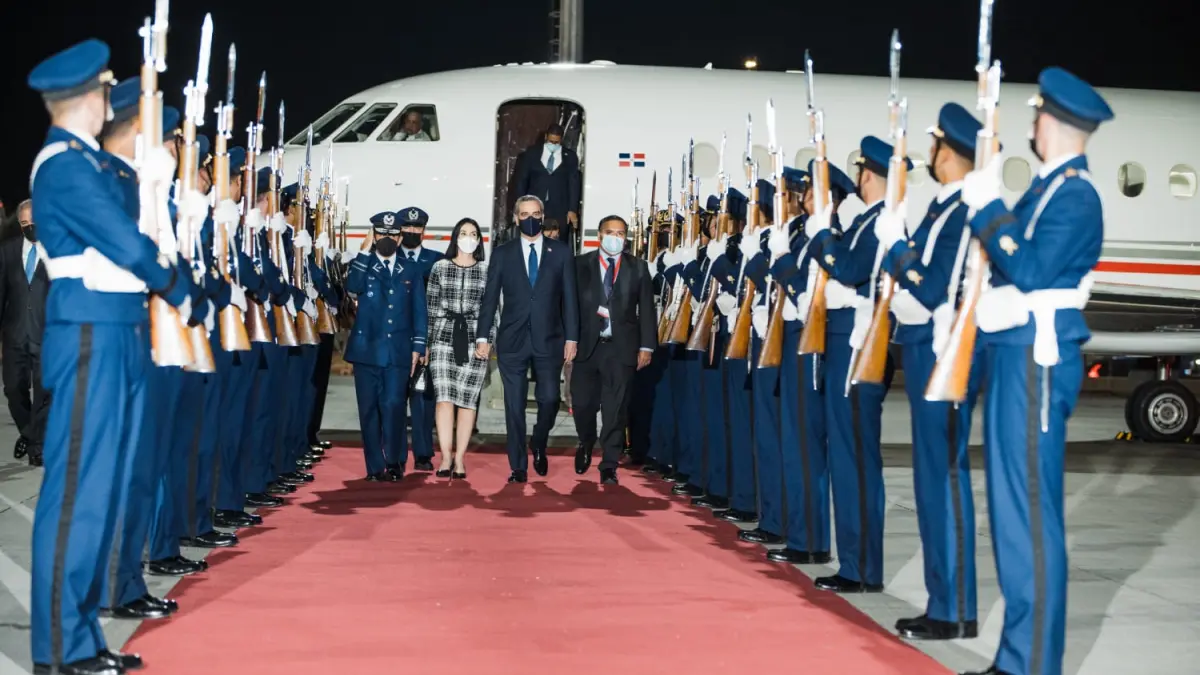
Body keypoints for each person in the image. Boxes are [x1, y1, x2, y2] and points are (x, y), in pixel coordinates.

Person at [27, 38, 198, 675]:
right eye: (106, 91)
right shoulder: (65, 165)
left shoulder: (93, 164)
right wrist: (180, 288)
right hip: (92, 334)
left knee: (108, 486)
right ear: (88, 98)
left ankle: (84, 634)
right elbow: (125, 244)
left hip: (119, 331)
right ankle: (58, 649)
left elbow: (142, 217)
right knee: (79, 492)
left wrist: (153, 179)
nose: (110, 101)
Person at [958, 68, 1112, 675]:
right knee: (1011, 515)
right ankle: (1017, 658)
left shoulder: (1076, 195)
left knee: (1029, 515)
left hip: (1036, 360)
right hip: (1014, 353)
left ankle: (1033, 664)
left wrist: (989, 206)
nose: (1031, 124)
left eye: (1037, 115)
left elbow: (1033, 269)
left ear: (1053, 123)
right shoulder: (1050, 189)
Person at [874, 102, 987, 641]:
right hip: (920, 347)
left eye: (937, 144)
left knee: (943, 479)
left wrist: (896, 248)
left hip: (941, 351)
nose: (931, 152)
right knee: (930, 481)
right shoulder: (944, 206)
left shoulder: (964, 207)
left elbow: (935, 281)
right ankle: (943, 601)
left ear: (952, 153)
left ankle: (956, 607)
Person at [807, 136, 909, 594]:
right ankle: (854, 562)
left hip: (859, 345)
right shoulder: (871, 220)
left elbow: (847, 269)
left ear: (868, 175)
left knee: (856, 460)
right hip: (850, 342)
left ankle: (862, 567)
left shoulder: (882, 221)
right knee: (848, 457)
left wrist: (823, 231)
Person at [475, 195, 579, 483]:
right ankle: (518, 466)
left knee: (549, 399)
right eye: (524, 214)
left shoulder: (560, 252)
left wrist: (572, 337)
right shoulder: (503, 253)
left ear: (543, 215)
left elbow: (570, 298)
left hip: (550, 339)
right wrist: (483, 335)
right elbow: (490, 298)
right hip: (512, 340)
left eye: (535, 213)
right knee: (514, 405)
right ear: (515, 218)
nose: (529, 218)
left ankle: (539, 442)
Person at [570, 215, 655, 484]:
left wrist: (646, 346)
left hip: (622, 348)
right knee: (583, 404)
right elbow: (568, 305)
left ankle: (609, 464)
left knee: (615, 409)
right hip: (586, 347)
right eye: (610, 232)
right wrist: (567, 339)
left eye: (620, 233)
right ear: (599, 234)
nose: (615, 237)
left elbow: (648, 311)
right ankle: (585, 441)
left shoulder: (638, 268)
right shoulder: (578, 265)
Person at [344, 211, 427, 481]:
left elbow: (419, 310)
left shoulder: (410, 269)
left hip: (398, 351)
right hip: (366, 351)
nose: (387, 238)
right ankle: (374, 467)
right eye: (382, 233)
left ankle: (394, 460)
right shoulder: (363, 264)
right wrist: (366, 250)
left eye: (393, 234)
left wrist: (419, 345)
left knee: (393, 404)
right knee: (368, 410)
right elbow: (352, 287)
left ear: (400, 236)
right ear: (374, 235)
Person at [426, 218, 493, 478]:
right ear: (455, 237)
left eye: (473, 233)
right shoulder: (440, 268)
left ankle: (460, 458)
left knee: (467, 401)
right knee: (444, 399)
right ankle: (445, 458)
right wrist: (427, 345)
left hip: (475, 341)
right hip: (443, 338)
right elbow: (431, 308)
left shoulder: (487, 271)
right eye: (463, 233)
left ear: (479, 239)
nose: (468, 237)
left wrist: (488, 340)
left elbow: (493, 311)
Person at [0, 199, 48, 467]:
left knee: (44, 395)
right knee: (13, 390)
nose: (30, 228)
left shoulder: (55, 252)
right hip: (15, 335)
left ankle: (37, 447)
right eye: (24, 224)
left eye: (34, 223)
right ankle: (30, 435)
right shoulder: (7, 252)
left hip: (46, 335)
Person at [396, 206, 443, 471]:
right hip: (396, 339)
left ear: (424, 230)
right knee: (394, 400)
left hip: (426, 339)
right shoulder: (388, 257)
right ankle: (396, 455)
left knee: (424, 399)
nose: (413, 232)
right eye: (408, 228)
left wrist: (427, 340)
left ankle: (424, 453)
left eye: (418, 228)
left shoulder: (435, 260)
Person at [514, 125, 582, 249]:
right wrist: (519, 206)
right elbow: (522, 180)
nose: (553, 144)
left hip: (560, 208)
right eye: (551, 141)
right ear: (546, 137)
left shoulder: (570, 157)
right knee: (532, 238)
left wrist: (572, 209)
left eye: (556, 142)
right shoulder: (532, 154)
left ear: (561, 140)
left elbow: (574, 184)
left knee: (558, 243)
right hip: (534, 206)